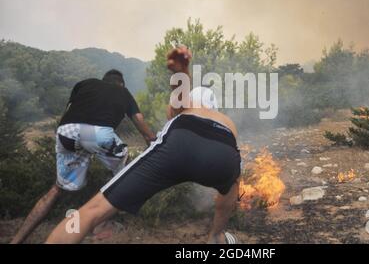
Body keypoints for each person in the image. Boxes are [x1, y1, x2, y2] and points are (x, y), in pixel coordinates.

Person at [45, 46, 241, 244]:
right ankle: (216, 236)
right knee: (231, 185)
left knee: (90, 212)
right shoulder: (225, 120)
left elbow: (178, 104)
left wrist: (181, 72)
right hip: (224, 155)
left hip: (179, 144)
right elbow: (233, 174)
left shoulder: (190, 107)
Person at [11, 69, 156, 244]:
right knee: (124, 176)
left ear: (103, 80)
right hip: (97, 133)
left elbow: (68, 111)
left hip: (67, 132)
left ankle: (16, 240)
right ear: (121, 84)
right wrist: (153, 141)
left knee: (57, 189)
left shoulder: (85, 84)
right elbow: (139, 120)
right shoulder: (123, 91)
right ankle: (100, 222)